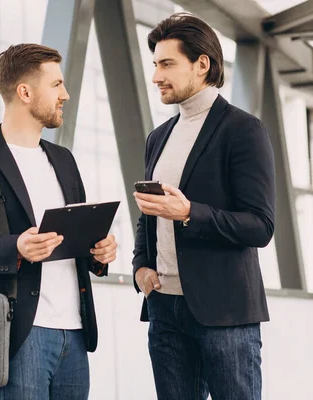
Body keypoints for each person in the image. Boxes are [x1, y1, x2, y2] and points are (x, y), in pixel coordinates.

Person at [0, 43, 118, 399]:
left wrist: (99, 251)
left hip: (76, 333)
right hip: (21, 333)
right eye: (56, 85)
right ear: (25, 92)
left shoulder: (64, 160)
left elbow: (73, 240)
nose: (65, 94)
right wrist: (14, 247)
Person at [132, 13, 275, 400]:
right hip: (164, 310)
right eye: (155, 65)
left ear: (202, 64)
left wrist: (190, 213)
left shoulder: (243, 130)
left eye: (166, 64)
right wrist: (140, 266)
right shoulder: (157, 137)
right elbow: (147, 214)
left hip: (225, 315)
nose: (156, 76)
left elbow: (260, 225)